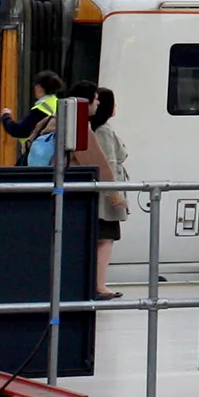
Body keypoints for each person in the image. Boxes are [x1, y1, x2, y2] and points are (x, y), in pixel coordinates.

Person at [69, 83, 129, 300]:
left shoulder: (80, 126)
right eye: (96, 99)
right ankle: (100, 285)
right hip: (104, 198)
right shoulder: (102, 130)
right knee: (105, 239)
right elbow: (107, 163)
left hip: (96, 194)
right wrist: (115, 194)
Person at [0, 71, 66, 167]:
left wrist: (5, 116)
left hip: (38, 156)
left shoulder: (41, 109)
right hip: (54, 156)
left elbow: (18, 130)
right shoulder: (58, 104)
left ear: (39, 87)